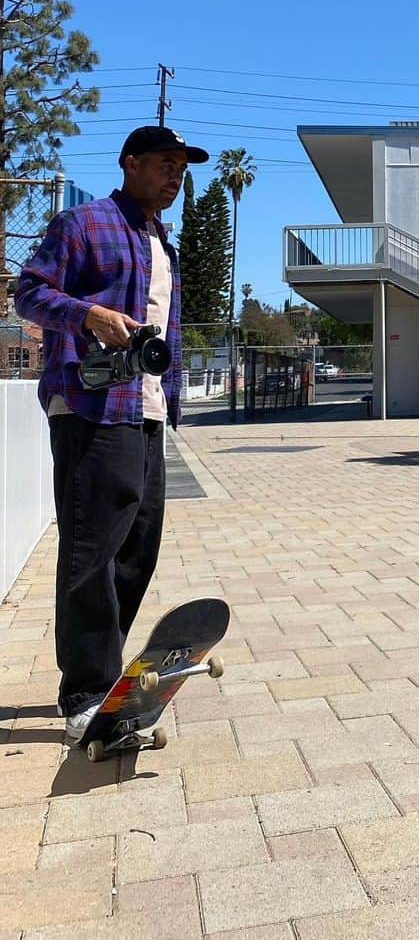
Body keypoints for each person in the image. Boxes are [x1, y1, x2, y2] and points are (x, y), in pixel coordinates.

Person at [15, 125, 208, 741]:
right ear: (130, 163)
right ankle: (86, 692)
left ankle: (109, 686)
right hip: (92, 409)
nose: (174, 174)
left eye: (181, 167)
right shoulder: (83, 224)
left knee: (136, 553)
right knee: (89, 555)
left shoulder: (162, 243)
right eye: (163, 163)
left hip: (146, 411)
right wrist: (88, 314)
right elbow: (28, 294)